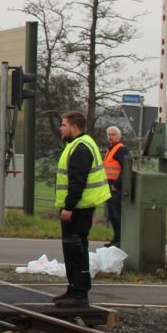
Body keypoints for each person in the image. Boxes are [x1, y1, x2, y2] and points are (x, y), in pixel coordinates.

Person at [52, 111, 108, 308]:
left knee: (75, 250)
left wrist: (69, 207)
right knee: (75, 249)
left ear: (74, 128)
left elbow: (77, 181)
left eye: (64, 125)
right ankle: (74, 288)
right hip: (80, 207)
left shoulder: (80, 147)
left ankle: (79, 293)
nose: (61, 128)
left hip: (78, 209)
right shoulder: (79, 144)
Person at [102, 126, 129, 248]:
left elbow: (126, 169)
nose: (110, 136)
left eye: (113, 134)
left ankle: (121, 240)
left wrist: (116, 185)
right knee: (112, 215)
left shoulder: (121, 150)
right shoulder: (110, 150)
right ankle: (116, 239)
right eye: (109, 134)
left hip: (115, 189)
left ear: (119, 136)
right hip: (109, 187)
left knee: (117, 215)